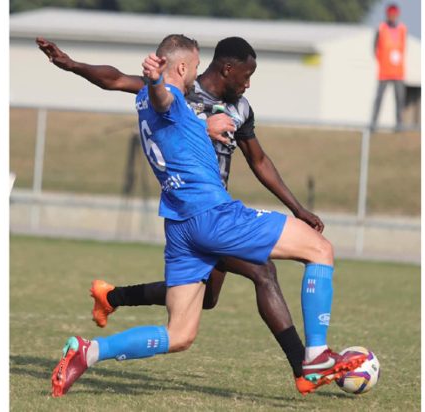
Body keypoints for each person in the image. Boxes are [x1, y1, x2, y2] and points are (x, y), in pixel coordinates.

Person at [48, 34, 366, 398]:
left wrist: (73, 66)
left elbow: (130, 87)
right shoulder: (168, 97)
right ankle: (315, 356)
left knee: (180, 334)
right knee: (320, 249)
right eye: (195, 65)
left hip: (181, 226)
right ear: (182, 67)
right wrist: (156, 82)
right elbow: (164, 97)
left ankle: (88, 352)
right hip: (213, 215)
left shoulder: (148, 103)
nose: (197, 71)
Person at [369, 3, 407, 132]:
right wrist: (381, 61)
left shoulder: (402, 29)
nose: (393, 17)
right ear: (387, 15)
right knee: (379, 99)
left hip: (398, 71)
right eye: (391, 14)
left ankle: (399, 126)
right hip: (384, 71)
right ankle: (373, 125)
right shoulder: (381, 28)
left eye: (394, 14)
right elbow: (375, 48)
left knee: (399, 99)